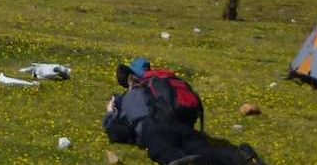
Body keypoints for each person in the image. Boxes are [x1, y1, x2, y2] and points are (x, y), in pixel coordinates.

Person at [102, 59, 263, 165]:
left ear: (131, 79)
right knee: (201, 148)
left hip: (155, 126)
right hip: (182, 123)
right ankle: (241, 157)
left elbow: (117, 132)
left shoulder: (128, 97)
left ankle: (179, 160)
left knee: (162, 149)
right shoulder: (164, 83)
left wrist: (111, 112)